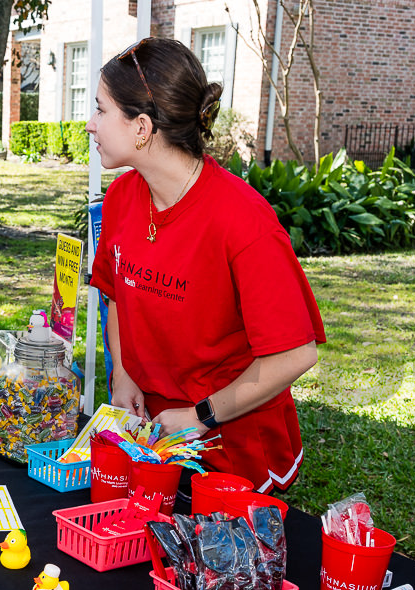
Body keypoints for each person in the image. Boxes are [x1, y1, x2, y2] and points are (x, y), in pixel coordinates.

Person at [86, 37, 325, 493]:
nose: (90, 125)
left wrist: (200, 416)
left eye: (101, 110)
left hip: (232, 445)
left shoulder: (242, 220)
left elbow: (296, 353)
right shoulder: (120, 198)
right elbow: (117, 291)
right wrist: (123, 372)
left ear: (141, 126)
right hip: (154, 434)